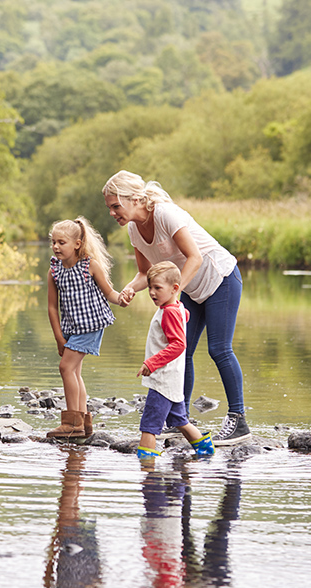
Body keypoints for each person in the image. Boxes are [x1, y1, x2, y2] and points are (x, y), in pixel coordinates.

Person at [103, 170, 251, 445]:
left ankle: (238, 420)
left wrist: (174, 293)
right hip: (187, 289)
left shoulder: (164, 214)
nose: (112, 213)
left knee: (219, 348)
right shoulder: (135, 230)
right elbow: (144, 273)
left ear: (134, 199)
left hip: (220, 278)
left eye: (115, 206)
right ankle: (178, 417)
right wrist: (128, 290)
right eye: (109, 207)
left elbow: (194, 257)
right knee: (182, 351)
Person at [46, 216, 123, 439]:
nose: (56, 247)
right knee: (75, 371)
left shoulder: (89, 266)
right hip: (71, 327)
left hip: (91, 325)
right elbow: (52, 308)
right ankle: (84, 422)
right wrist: (59, 338)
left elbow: (110, 293)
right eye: (53, 242)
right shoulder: (55, 271)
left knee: (65, 368)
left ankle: (72, 423)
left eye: (62, 242)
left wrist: (122, 298)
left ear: (77, 244)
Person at [135, 261, 213, 459]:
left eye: (157, 288)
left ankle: (147, 467)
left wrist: (151, 363)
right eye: (150, 287)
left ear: (175, 288)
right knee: (179, 419)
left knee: (149, 425)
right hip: (174, 379)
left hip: (163, 379)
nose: (152, 292)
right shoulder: (177, 307)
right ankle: (205, 448)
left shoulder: (169, 311)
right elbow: (185, 315)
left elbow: (179, 344)